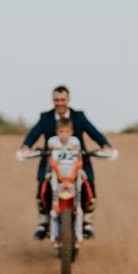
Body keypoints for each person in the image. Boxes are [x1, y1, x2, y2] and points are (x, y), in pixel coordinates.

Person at [19, 85, 114, 239]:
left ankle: (87, 221)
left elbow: (93, 132)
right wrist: (25, 146)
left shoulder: (79, 116)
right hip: (52, 162)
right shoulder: (46, 117)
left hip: (78, 161)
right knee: (42, 183)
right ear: (53, 100)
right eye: (57, 100)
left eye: (63, 100)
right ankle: (43, 221)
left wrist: (105, 145)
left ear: (68, 100)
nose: (60, 103)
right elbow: (34, 133)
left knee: (88, 182)